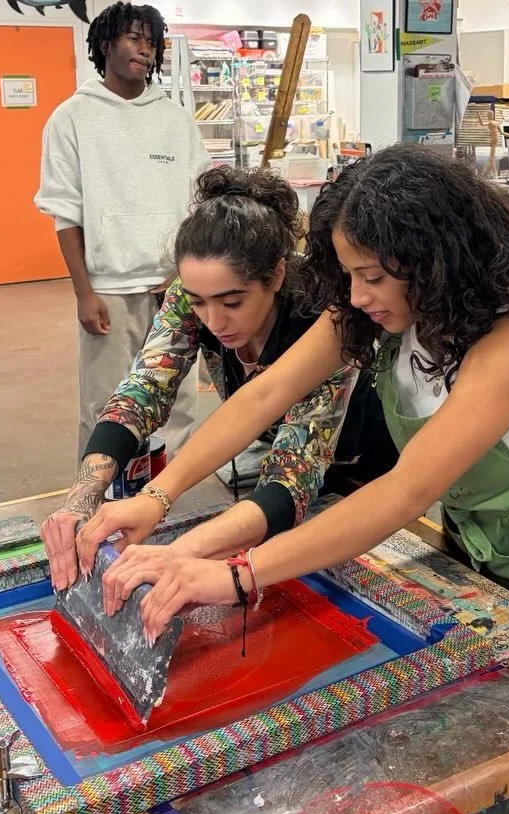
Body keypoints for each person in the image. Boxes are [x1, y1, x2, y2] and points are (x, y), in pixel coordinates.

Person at [75, 145, 509, 814]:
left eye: (374, 278)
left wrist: (236, 570)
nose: (355, 295)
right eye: (347, 274)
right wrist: (159, 497)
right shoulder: (377, 310)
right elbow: (266, 396)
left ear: (436, 259)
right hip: (490, 561)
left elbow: (403, 490)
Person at [40, 166, 396, 591]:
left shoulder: (324, 319)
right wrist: (85, 492)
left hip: (364, 472)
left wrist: (179, 552)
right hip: (279, 467)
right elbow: (144, 389)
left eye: (232, 301)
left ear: (276, 276)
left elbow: (295, 472)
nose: (214, 320)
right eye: (199, 303)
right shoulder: (192, 298)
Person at [35, 2, 209, 459]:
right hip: (108, 290)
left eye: (152, 43)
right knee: (106, 405)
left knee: (177, 404)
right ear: (106, 44)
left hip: (173, 289)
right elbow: (64, 212)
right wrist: (83, 292)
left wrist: (185, 275)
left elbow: (197, 205)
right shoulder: (72, 118)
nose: (145, 51)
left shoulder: (175, 120)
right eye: (134, 39)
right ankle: (97, 505)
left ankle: (166, 501)